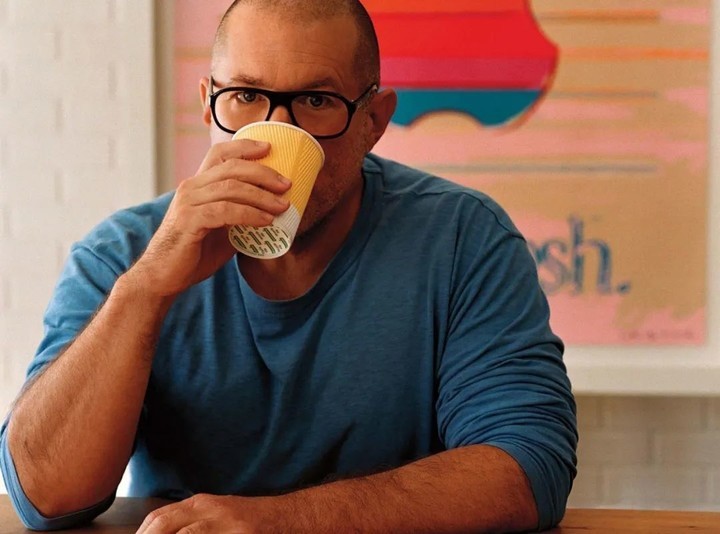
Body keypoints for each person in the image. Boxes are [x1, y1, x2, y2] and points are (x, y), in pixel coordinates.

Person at [0, 0, 577, 532]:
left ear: (374, 121)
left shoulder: (462, 239)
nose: (280, 130)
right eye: (246, 96)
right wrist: (146, 290)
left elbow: (528, 467)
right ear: (207, 103)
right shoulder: (125, 253)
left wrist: (283, 522)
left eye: (317, 101)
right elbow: (45, 496)